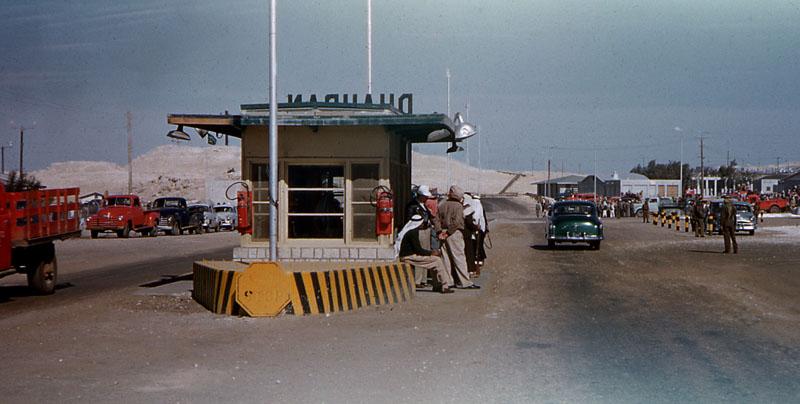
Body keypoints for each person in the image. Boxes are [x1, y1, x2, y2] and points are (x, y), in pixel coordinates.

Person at [396, 214, 454, 293]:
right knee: (437, 261)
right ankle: (445, 285)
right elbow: (418, 250)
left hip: (407, 255)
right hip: (409, 257)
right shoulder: (413, 232)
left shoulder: (409, 231)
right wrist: (431, 253)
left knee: (434, 262)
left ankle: (437, 285)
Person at [438, 185, 480, 289]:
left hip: (443, 232)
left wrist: (440, 232)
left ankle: (448, 281)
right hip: (454, 233)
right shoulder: (458, 206)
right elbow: (456, 222)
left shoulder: (442, 204)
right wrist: (449, 232)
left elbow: (436, 219)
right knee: (459, 257)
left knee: (445, 258)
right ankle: (464, 282)